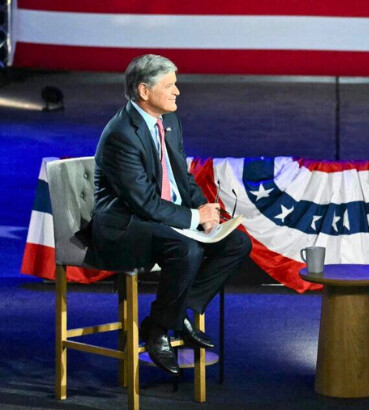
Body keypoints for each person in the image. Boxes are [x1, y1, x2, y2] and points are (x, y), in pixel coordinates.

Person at [88, 54, 251, 375]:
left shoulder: (170, 122)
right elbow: (144, 203)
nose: (177, 92)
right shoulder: (122, 133)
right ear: (144, 91)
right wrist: (193, 218)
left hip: (160, 220)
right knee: (186, 249)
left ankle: (175, 314)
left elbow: (182, 179)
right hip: (124, 227)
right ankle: (160, 330)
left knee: (237, 244)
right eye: (170, 85)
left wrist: (206, 213)